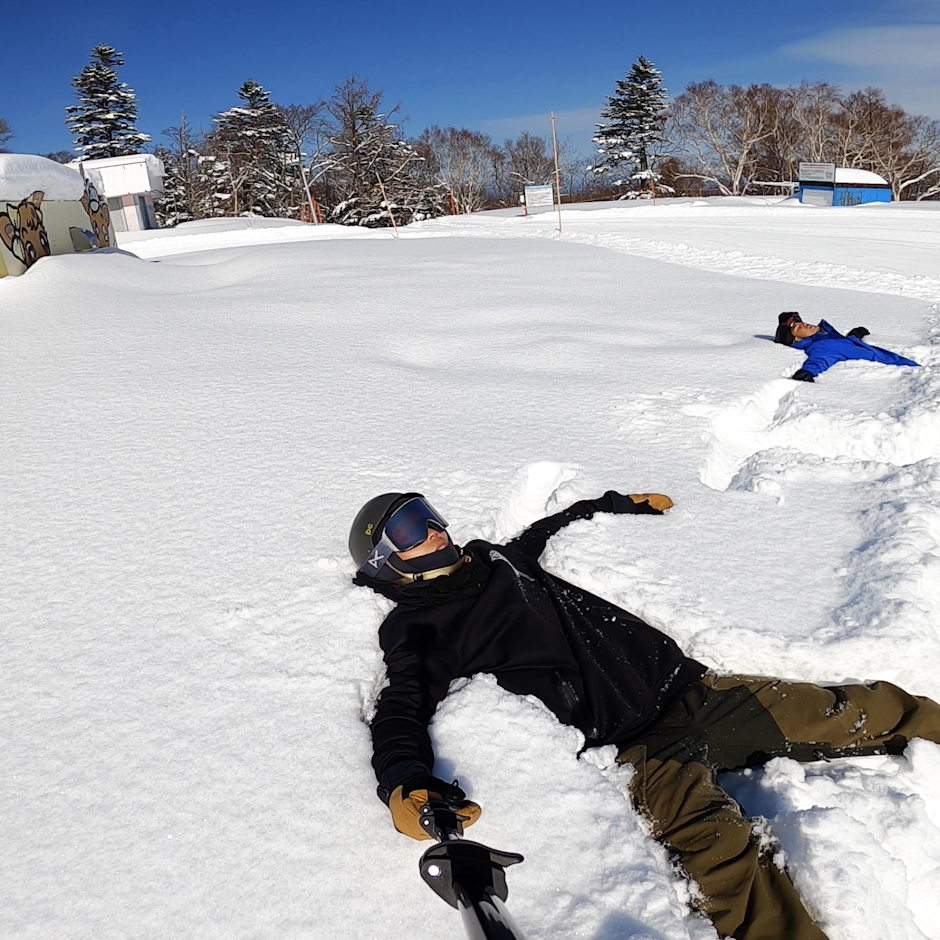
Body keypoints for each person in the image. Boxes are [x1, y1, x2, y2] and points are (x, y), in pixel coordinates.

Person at [350, 491, 940, 940]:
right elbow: (401, 708)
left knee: (848, 709)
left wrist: (613, 504)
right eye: (408, 528)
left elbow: (541, 531)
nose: (433, 529)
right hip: (635, 747)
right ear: (384, 561)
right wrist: (405, 782)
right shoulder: (419, 628)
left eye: (428, 513)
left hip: (689, 691)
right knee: (722, 853)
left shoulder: (496, 558)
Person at [773, 311, 918, 382]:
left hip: (904, 365)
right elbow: (821, 359)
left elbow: (843, 345)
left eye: (801, 322)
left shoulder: (827, 337)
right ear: (797, 339)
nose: (804, 324)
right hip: (899, 371)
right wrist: (808, 371)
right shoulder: (822, 345)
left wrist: (854, 336)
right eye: (798, 328)